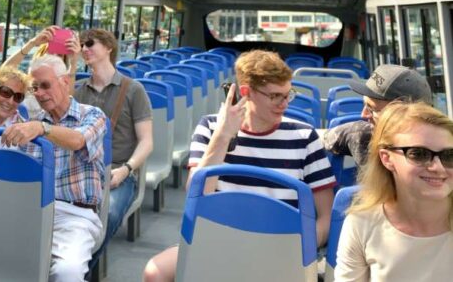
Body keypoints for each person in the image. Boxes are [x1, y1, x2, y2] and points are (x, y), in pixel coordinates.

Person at [143, 50, 336, 282]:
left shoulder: (304, 136)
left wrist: (300, 249)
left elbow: (325, 215)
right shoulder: (211, 128)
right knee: (154, 273)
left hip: (281, 243)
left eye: (288, 95)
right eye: (275, 96)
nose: (284, 104)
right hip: (219, 238)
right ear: (246, 93)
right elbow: (197, 191)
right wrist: (224, 135)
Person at [1, 55, 107, 282]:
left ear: (65, 82)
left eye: (45, 85)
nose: (39, 93)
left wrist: (42, 129)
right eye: (35, 88)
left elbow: (78, 141)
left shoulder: (92, 115)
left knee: (66, 272)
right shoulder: (31, 125)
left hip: (75, 215)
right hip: (31, 212)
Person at [334, 102, 453, 281]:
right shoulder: (361, 224)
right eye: (419, 154)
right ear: (386, 158)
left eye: (449, 156)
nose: (437, 167)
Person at [74, 28, 153, 267]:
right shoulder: (77, 91)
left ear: (109, 47)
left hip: (119, 172)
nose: (84, 49)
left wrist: (126, 169)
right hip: (82, 170)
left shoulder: (133, 90)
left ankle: (80, 269)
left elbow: (147, 141)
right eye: (81, 46)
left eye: (90, 44)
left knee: (107, 213)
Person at [323, 64, 433, 167]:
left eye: (372, 109)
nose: (363, 115)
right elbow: (320, 137)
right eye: (365, 106)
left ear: (404, 114)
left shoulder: (439, 153)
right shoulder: (363, 135)